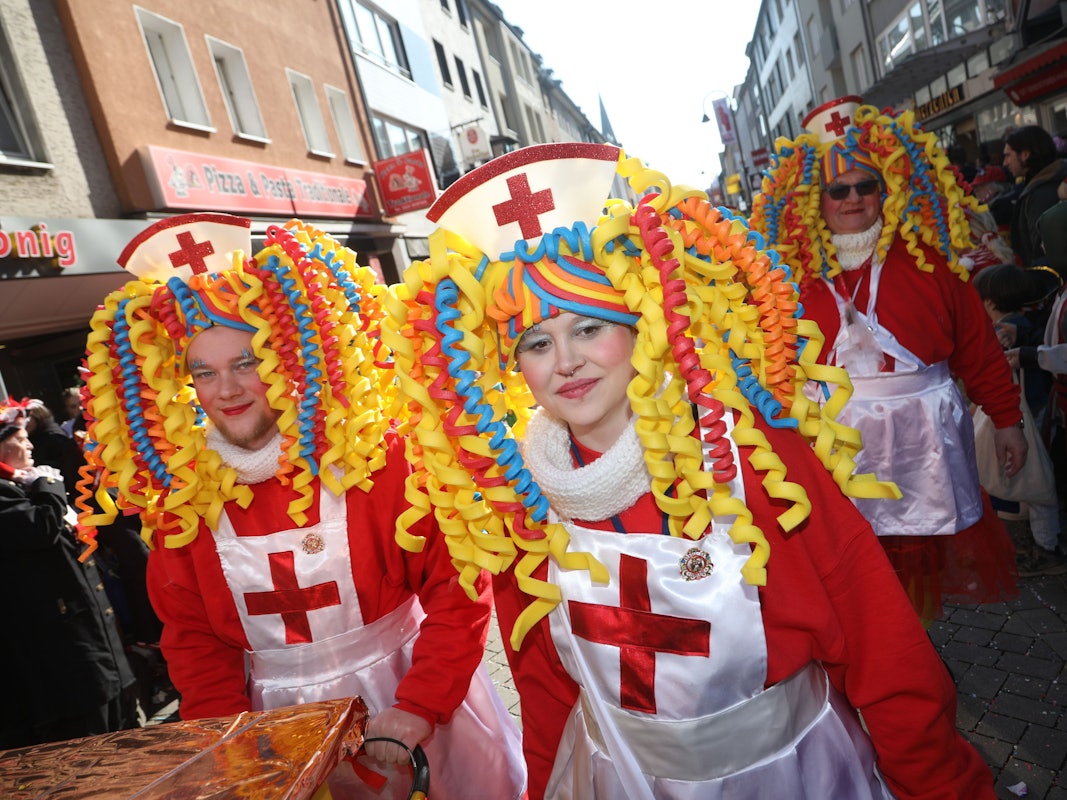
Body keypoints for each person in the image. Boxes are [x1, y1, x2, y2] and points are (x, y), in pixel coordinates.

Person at [383, 143, 996, 798]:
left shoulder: (747, 462)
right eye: (537, 342)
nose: (565, 361)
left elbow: (881, 649)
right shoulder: (518, 506)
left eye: (589, 328)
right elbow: (544, 692)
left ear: (641, 330)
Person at [76, 214, 525, 798]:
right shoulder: (183, 506)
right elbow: (195, 643)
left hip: (415, 704)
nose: (227, 390)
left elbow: (457, 591)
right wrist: (227, 743)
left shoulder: (374, 462)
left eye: (245, 362)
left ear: (288, 361)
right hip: (275, 732)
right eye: (204, 373)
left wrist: (420, 706)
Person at [750, 96, 1023, 623]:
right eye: (837, 189)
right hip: (836, 449)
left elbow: (977, 348)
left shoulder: (931, 261)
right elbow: (771, 370)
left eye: (865, 185)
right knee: (852, 570)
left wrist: (1008, 420)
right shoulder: (785, 279)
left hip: (923, 446)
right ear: (814, 199)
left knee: (917, 574)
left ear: (886, 189)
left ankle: (914, 655)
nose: (852, 199)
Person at [0, 398, 136, 749]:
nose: (29, 443)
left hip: (97, 644)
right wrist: (47, 485)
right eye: (19, 438)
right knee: (94, 754)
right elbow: (40, 526)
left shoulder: (25, 484)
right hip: (66, 660)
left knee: (129, 736)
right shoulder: (14, 492)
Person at [972, 263, 1066, 575]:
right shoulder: (1024, 324)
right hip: (1039, 407)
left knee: (1038, 480)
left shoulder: (1004, 333)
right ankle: (1040, 540)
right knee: (1036, 478)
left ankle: (1044, 545)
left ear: (988, 302)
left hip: (1027, 413)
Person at [1002, 125, 1067, 270]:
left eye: (1008, 155)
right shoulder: (1051, 182)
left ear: (1025, 155)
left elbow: (1043, 254)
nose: (1004, 163)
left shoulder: (1041, 194)